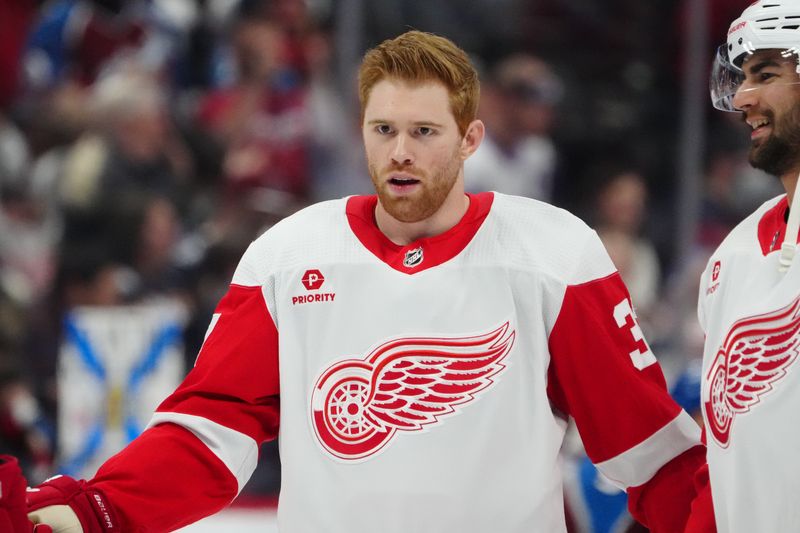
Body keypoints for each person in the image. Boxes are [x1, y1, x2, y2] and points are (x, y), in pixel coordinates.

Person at [25, 31, 706, 533]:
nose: (400, 151)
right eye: (384, 129)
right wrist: (97, 507)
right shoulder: (289, 255)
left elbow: (646, 447)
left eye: (424, 131)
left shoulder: (554, 252)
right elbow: (208, 434)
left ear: (471, 138)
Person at [689, 1, 800, 531]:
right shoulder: (730, 257)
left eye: (766, 74)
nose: (743, 98)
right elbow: (723, 450)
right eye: (741, 77)